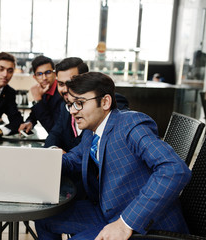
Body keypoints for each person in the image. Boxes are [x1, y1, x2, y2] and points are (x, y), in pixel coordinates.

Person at [35, 72, 192, 240]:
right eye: (70, 104)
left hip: (143, 223)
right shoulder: (91, 131)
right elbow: (73, 160)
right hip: (107, 211)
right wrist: (39, 162)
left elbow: (175, 169)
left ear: (105, 102)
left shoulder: (131, 125)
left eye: (79, 103)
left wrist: (125, 222)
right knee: (43, 218)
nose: (73, 111)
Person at [44, 57, 129, 153]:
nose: (65, 89)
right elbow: (54, 135)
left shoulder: (111, 101)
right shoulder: (65, 107)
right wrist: (55, 150)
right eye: (61, 84)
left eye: (70, 84)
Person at [18, 55, 63, 133]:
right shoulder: (43, 90)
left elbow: (53, 130)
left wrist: (38, 100)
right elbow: (35, 114)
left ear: (55, 74)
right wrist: (30, 122)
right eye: (39, 74)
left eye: (48, 72)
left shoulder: (62, 93)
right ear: (35, 77)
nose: (44, 78)